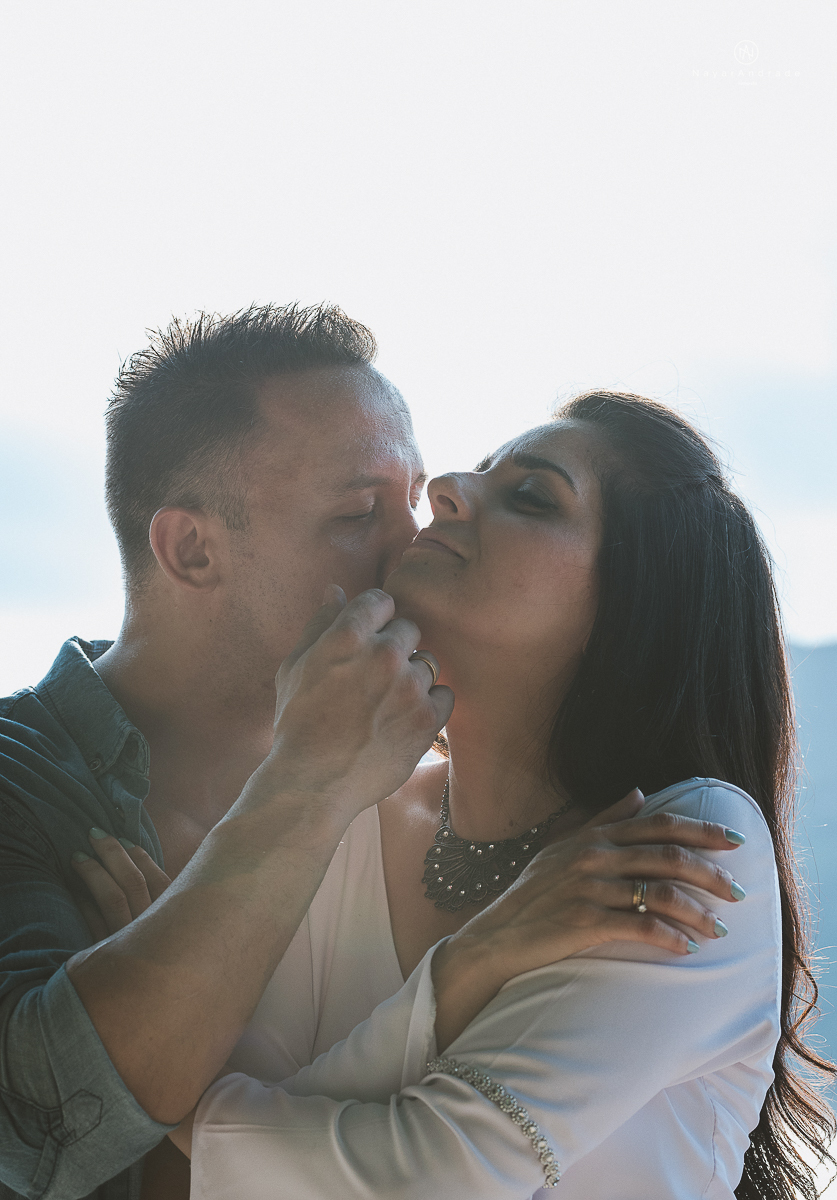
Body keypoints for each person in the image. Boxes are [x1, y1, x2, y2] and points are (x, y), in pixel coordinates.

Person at [0, 310, 724, 1200]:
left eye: (411, 497)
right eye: (356, 512)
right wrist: (307, 784)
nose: (411, 539)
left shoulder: (404, 825)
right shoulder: (21, 782)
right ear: (191, 549)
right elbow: (36, 1134)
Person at [125, 393, 832, 1198]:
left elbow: (428, 1178)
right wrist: (468, 965)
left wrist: (189, 1109)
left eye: (531, 496)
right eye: (478, 472)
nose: (445, 489)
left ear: (634, 602)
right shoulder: (356, 816)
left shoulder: (688, 846)